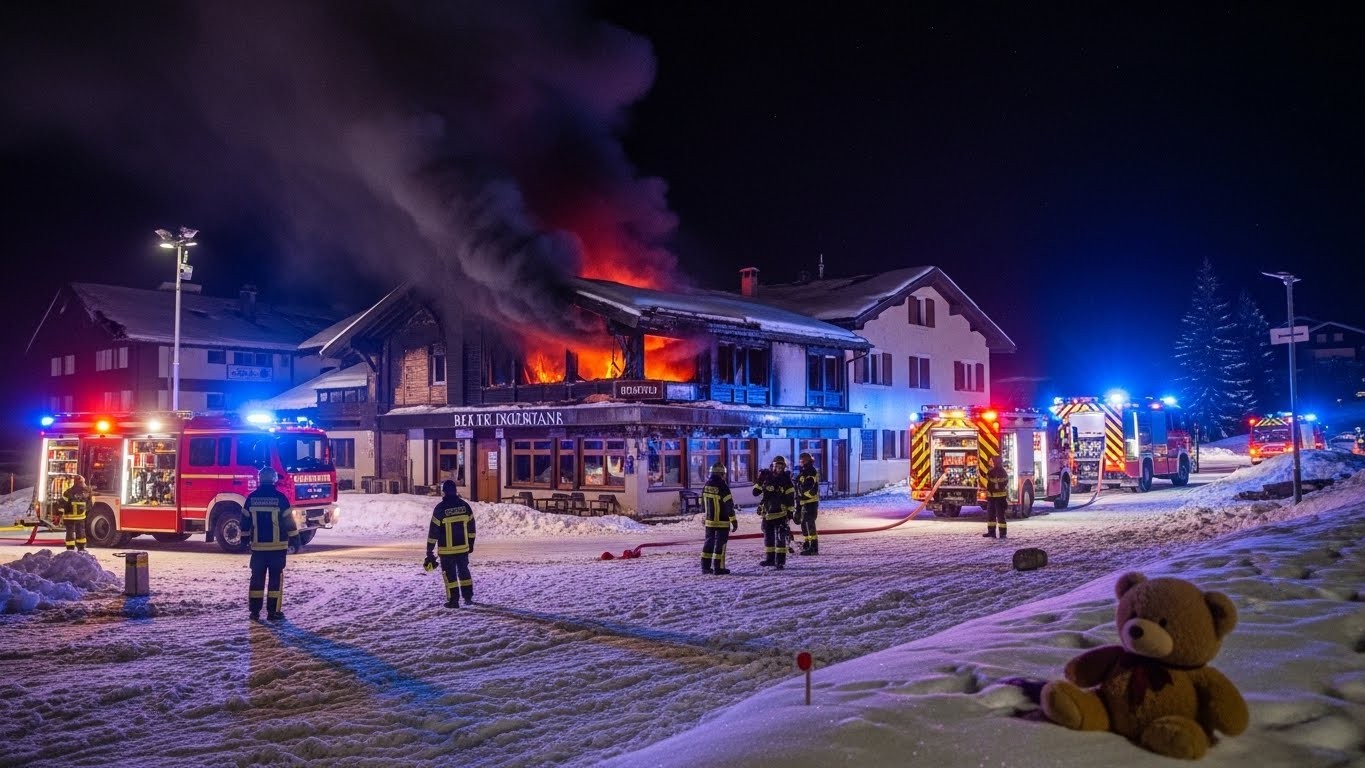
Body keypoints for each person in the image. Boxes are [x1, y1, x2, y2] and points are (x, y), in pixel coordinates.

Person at [241, 467, 300, 621]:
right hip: (277, 548)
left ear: (260, 479)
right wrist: (295, 539)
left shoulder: (251, 498)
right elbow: (289, 523)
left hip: (258, 549)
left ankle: (254, 612)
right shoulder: (281, 499)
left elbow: (245, 522)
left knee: (256, 580)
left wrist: (244, 540)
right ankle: (273, 612)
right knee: (275, 580)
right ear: (274, 480)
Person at [425, 479, 476, 608]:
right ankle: (468, 596)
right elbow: (471, 527)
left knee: (450, 575)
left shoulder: (440, 509)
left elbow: (433, 532)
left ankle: (453, 601)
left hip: (447, 550)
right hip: (463, 548)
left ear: (444, 492)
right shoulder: (465, 506)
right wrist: (471, 544)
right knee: (464, 572)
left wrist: (429, 551)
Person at [753, 456, 796, 569]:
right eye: (777, 465)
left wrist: (790, 512)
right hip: (767, 512)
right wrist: (759, 480)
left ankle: (780, 561)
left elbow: (790, 497)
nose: (779, 467)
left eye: (781, 465)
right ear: (772, 465)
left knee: (780, 538)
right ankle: (770, 559)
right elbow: (755, 492)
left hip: (781, 513)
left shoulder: (786, 480)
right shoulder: (766, 477)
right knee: (768, 537)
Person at [701, 462, 738, 575]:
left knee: (708, 543)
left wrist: (705, 514)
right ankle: (719, 568)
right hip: (722, 521)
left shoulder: (707, 485)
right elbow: (729, 505)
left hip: (709, 521)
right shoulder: (723, 486)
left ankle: (705, 567)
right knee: (720, 545)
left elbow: (702, 502)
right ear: (722, 474)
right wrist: (733, 520)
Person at [794, 452, 821, 555]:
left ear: (807, 461)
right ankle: (807, 544)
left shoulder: (810, 471)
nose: (801, 463)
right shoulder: (804, 471)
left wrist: (799, 484)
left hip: (810, 503)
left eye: (802, 461)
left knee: (810, 524)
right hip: (804, 502)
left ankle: (813, 547)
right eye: (800, 461)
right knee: (804, 524)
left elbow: (807, 486)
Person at [61, 475, 91, 552]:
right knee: (80, 532)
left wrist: (63, 512)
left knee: (70, 532)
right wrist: (86, 511)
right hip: (80, 517)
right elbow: (90, 503)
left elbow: (63, 503)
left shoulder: (68, 492)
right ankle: (81, 548)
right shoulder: (86, 492)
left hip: (69, 517)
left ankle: (70, 548)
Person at [983, 454, 1009, 539]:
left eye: (993, 461)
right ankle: (998, 533)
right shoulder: (1003, 472)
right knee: (996, 515)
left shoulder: (992, 472)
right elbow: (1004, 482)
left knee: (995, 515)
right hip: (998, 497)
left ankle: (997, 533)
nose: (992, 462)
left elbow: (989, 482)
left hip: (996, 498)